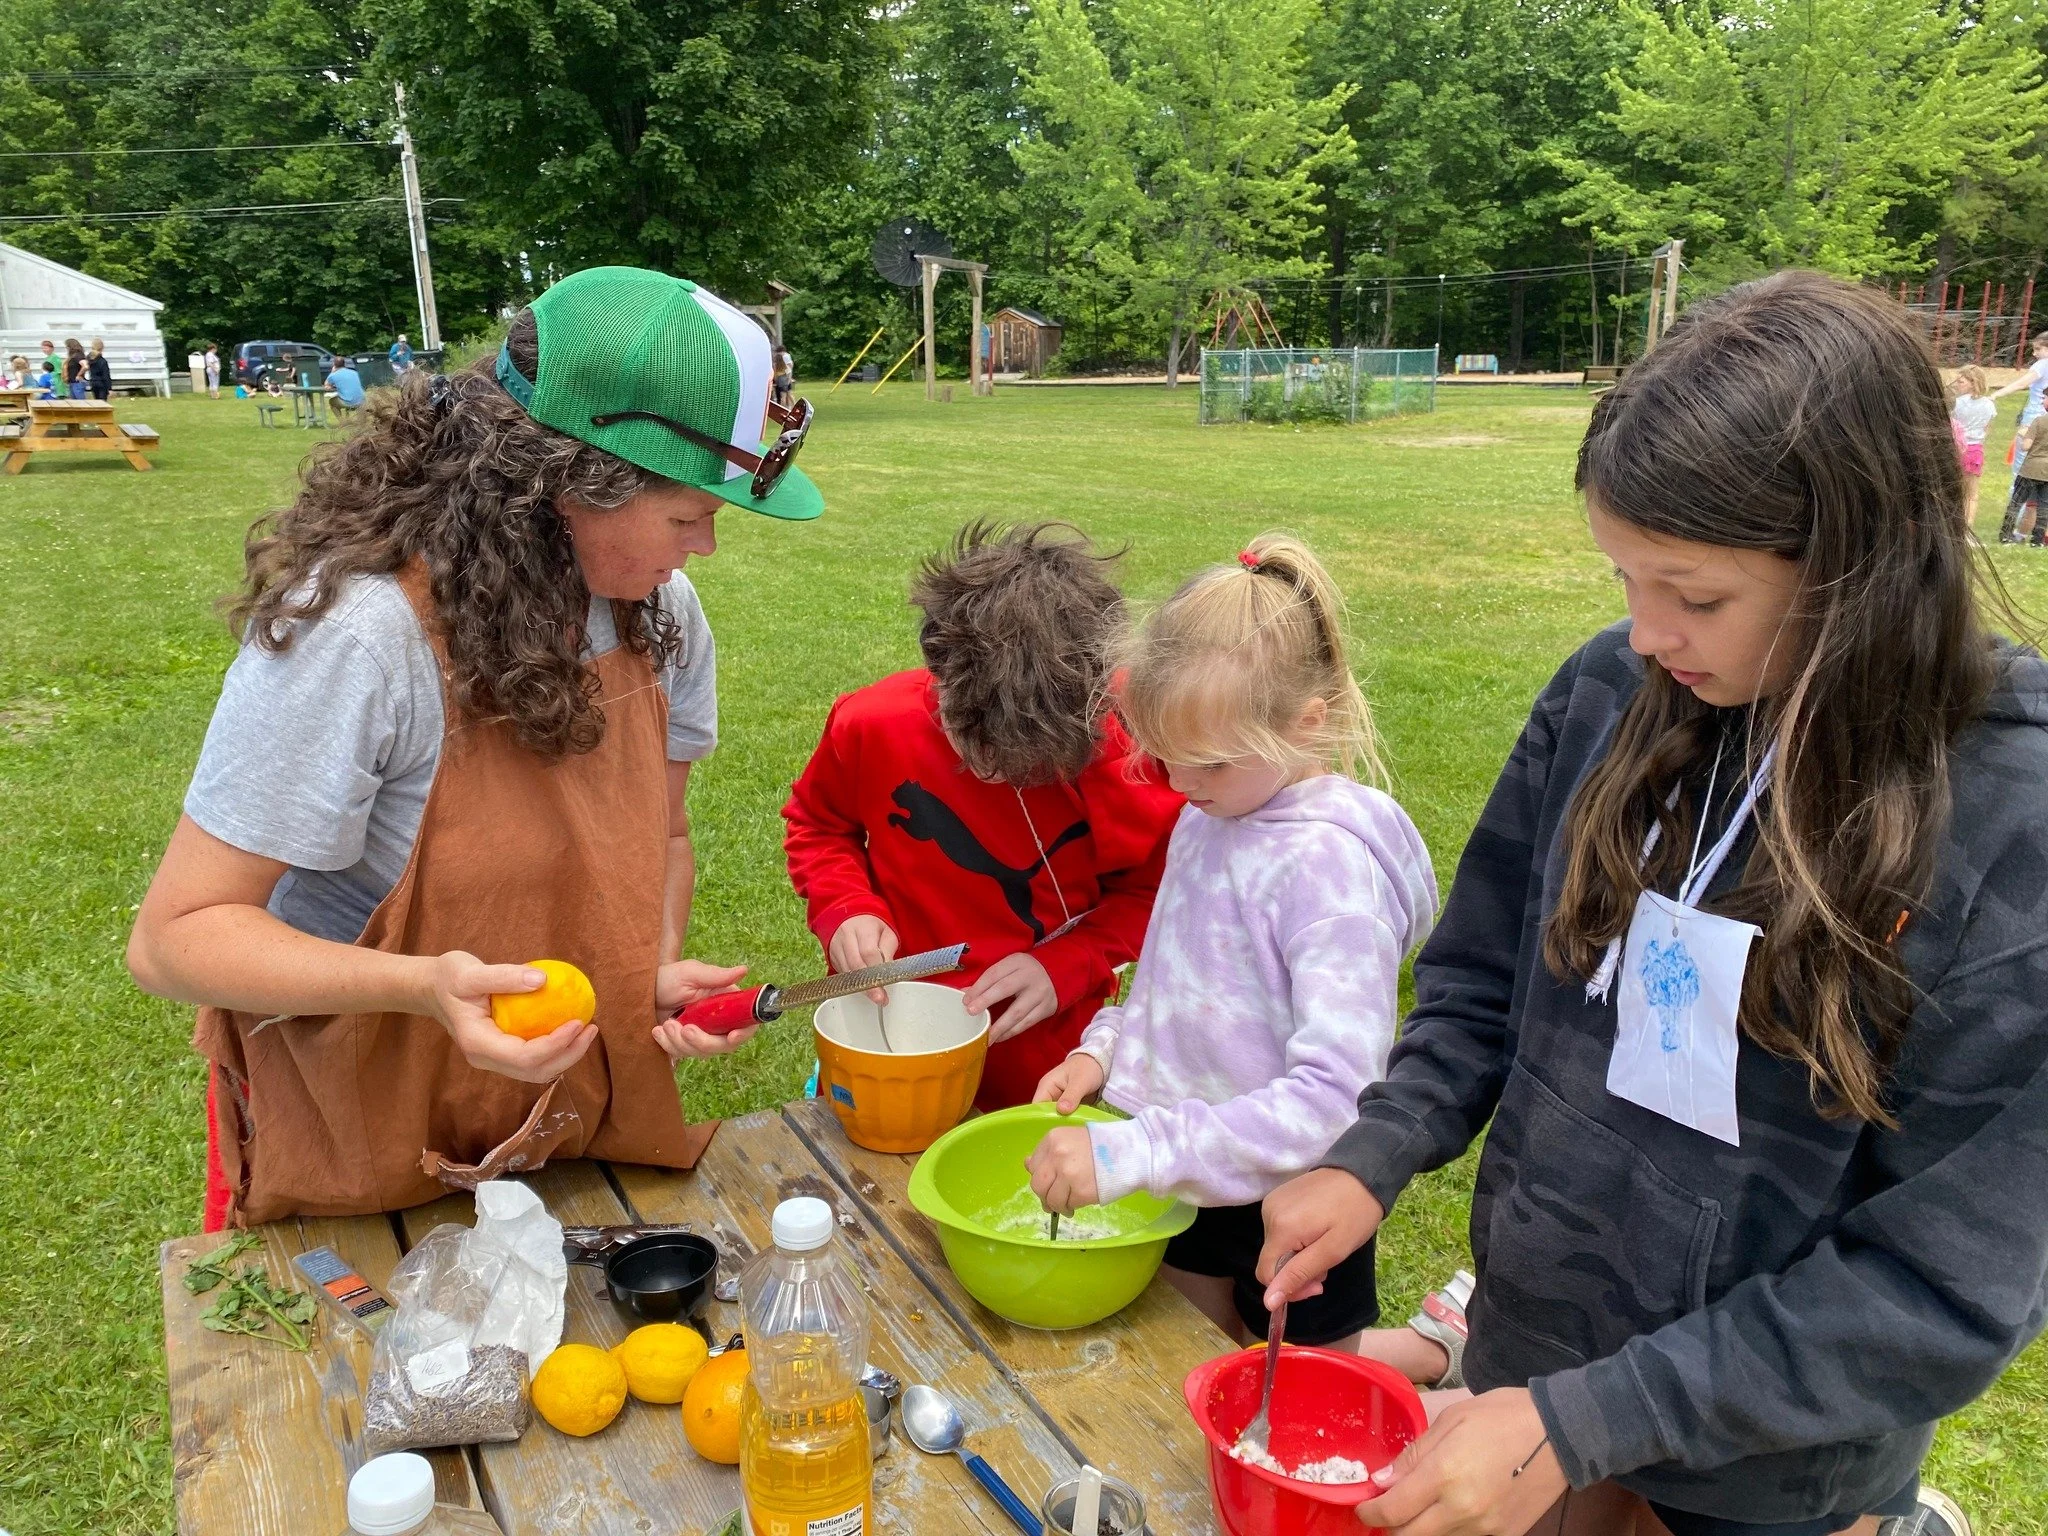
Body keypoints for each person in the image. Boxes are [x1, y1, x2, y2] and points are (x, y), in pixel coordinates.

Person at [1256, 271, 2039, 1536]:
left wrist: (1592, 1420)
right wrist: (1380, 1147)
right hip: (1534, 1378)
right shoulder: (1604, 702)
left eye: (1694, 595)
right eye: (1623, 578)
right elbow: (1475, 987)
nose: (1640, 634)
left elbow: (1941, 1286)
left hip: (1767, 1467)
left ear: (1858, 564)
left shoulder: (2011, 827)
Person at [126, 266, 825, 1229]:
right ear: (572, 482)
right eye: (687, 514)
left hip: (571, 1122)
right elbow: (175, 938)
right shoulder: (362, 633)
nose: (705, 546)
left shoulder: (660, 615)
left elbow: (660, 837)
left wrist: (646, 971)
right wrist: (423, 987)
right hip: (360, 1127)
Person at [1024, 533, 1436, 1352]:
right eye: (1165, 758)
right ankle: (1423, 1350)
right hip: (1187, 1165)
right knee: (1191, 1358)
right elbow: (1176, 976)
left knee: (1289, 1396)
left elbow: (1335, 1098)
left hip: (1294, 1191)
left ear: (1305, 725)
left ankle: (1430, 1354)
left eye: (1205, 763)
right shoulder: (1211, 813)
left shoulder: (1327, 874)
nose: (1179, 786)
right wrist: (1106, 1050)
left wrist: (1134, 1149)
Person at [781, 522, 1184, 1111]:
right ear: (939, 673)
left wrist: (1070, 963)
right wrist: (845, 908)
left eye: (1021, 757)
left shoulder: (1134, 753)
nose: (989, 770)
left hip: (1046, 1045)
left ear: (1092, 708)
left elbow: (1161, 889)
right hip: (895, 1027)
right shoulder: (871, 724)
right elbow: (819, 824)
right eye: (968, 739)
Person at [1949, 365, 1995, 528]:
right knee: (1971, 494)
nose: (1956, 385)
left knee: (1954, 489)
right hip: (1975, 449)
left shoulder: (1957, 404)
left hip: (1955, 447)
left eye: (1960, 382)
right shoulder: (1989, 405)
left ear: (1972, 383)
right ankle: (1967, 526)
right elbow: (1986, 429)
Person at [1998, 410, 2048, 545]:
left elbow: (2026, 446)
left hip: (2031, 469)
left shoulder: (2039, 421)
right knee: (2044, 506)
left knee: (2016, 502)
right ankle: (2037, 540)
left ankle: (2006, 535)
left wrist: (2022, 434)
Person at [1990, 328, 2048, 426]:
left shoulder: (2042, 365)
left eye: (2038, 349)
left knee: (2024, 441)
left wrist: (1996, 394)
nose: (2034, 353)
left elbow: (2020, 384)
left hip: (2036, 415)